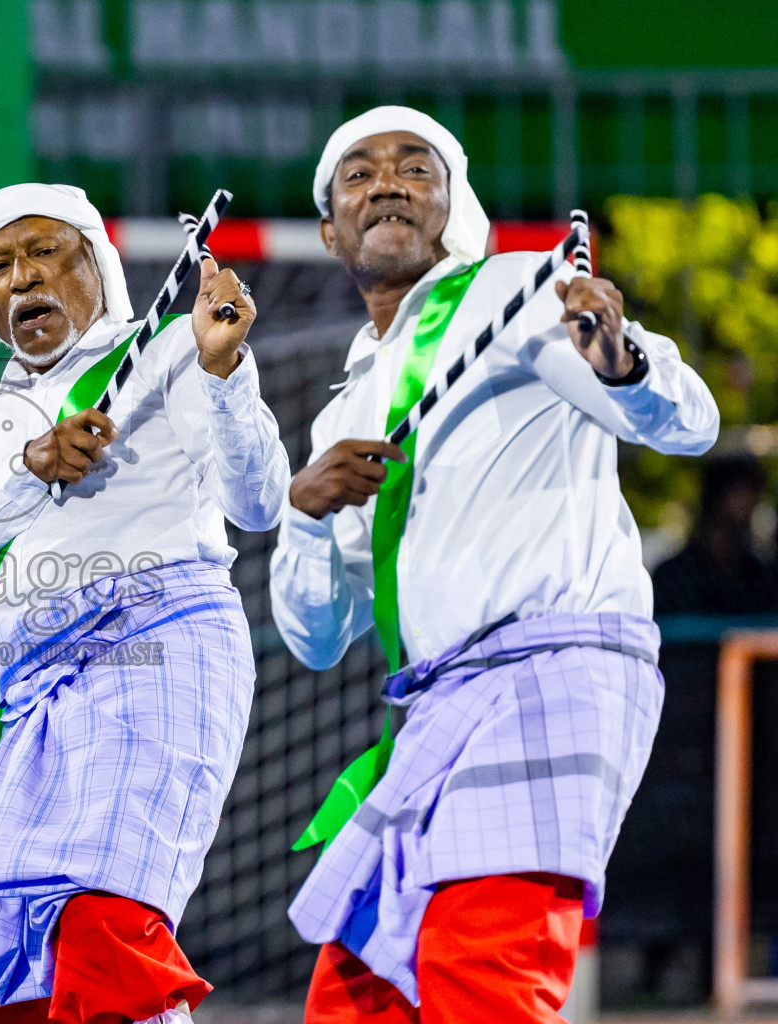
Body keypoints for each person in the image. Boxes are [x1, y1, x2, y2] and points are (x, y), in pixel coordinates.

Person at [269, 106, 719, 1023]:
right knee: (356, 997)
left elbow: (688, 423)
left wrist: (622, 361)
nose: (387, 182)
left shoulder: (512, 293)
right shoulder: (343, 407)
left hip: (552, 671)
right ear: (329, 229)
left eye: (414, 168)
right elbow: (317, 640)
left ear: (453, 203)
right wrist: (306, 516)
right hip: (438, 706)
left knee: (484, 973)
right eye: (359, 173)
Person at [0, 183, 291, 1024]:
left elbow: (260, 506)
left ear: (100, 267)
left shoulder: (173, 355)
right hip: (33, 695)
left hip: (162, 645)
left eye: (45, 252)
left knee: (100, 924)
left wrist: (224, 371)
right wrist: (26, 474)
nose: (23, 279)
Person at [653, 455, 778, 615]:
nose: (751, 502)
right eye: (742, 488)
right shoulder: (672, 577)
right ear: (715, 495)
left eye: (755, 489)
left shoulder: (762, 578)